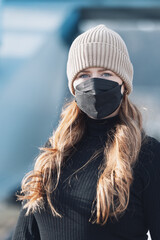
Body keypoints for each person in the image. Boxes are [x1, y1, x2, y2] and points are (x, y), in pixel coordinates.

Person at [12, 24, 160, 240]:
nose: (93, 82)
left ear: (123, 84)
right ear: (73, 85)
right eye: (84, 74)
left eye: (106, 73)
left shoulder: (147, 155)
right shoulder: (53, 155)